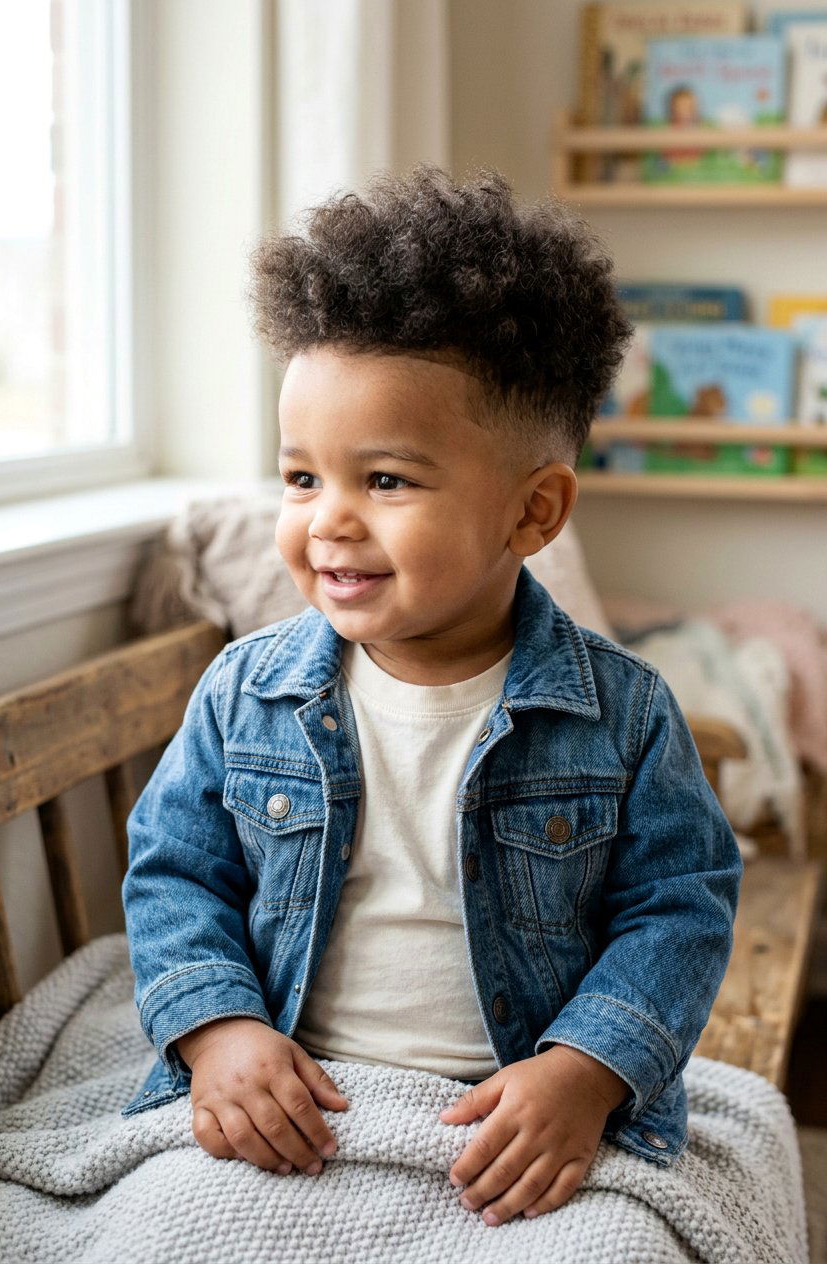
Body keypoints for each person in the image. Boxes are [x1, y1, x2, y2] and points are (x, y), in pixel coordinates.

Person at [120, 163, 743, 1228]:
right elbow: (177, 873)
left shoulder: (622, 714)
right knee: (157, 1230)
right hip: (300, 1092)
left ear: (532, 514)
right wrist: (217, 1030)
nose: (329, 521)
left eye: (387, 481)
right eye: (303, 477)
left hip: (514, 1106)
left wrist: (586, 1073)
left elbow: (678, 907)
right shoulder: (242, 692)